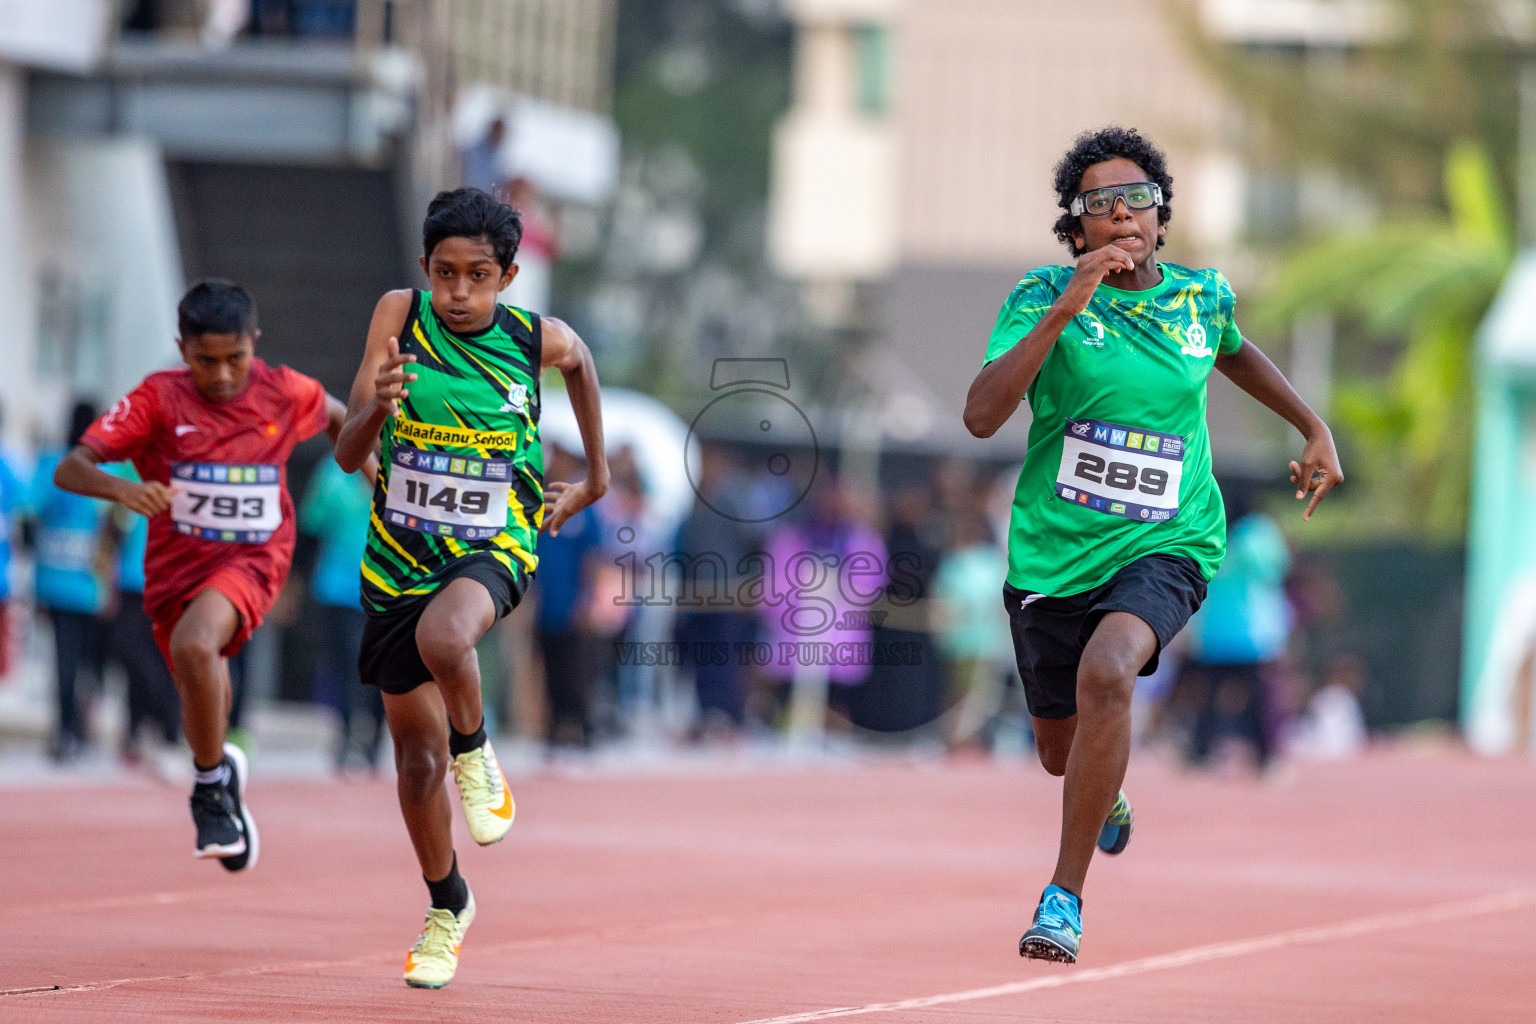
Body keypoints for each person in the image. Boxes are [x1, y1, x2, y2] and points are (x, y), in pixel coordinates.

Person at [963, 126, 1343, 963]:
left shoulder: (1201, 298)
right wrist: (1068, 306)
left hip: (1168, 541)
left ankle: (1062, 899)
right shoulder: (1038, 297)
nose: (1122, 213)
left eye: (1138, 198)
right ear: (1078, 229)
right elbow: (983, 415)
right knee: (1061, 754)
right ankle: (1108, 789)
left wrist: (1312, 425)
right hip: (1053, 556)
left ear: (1161, 219)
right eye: (1100, 204)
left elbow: (1235, 356)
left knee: (1110, 672)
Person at [334, 187, 608, 989]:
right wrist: (375, 412)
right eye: (446, 274)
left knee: (446, 639)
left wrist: (591, 477)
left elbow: (585, 365)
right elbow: (351, 453)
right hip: (397, 558)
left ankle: (476, 747)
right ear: (425, 269)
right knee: (414, 769)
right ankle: (448, 904)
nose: (459, 292)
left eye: (478, 276)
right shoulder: (397, 316)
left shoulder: (534, 341)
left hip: (496, 541)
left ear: (509, 275)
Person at [53, 279, 362, 872]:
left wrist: (372, 471)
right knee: (201, 662)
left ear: (255, 344)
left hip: (254, 555)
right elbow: (72, 467)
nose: (221, 376)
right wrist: (124, 487)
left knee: (198, 644)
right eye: (205, 362)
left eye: (235, 359)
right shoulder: (158, 399)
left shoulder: (281, 390)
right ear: (182, 348)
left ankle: (208, 786)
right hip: (175, 568)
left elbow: (338, 416)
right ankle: (222, 768)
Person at [30, 402, 112, 763]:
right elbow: (114, 529)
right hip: (91, 583)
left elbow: (29, 517)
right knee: (90, 661)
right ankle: (79, 726)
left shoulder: (51, 466)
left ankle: (66, 731)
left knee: (64, 659)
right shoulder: (104, 469)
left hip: (53, 579)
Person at [299, 457, 385, 772]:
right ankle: (348, 736)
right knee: (349, 662)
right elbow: (311, 528)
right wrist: (293, 582)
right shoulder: (332, 473)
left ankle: (375, 739)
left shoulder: (403, 466)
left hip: (389, 589)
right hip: (339, 589)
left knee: (383, 668)